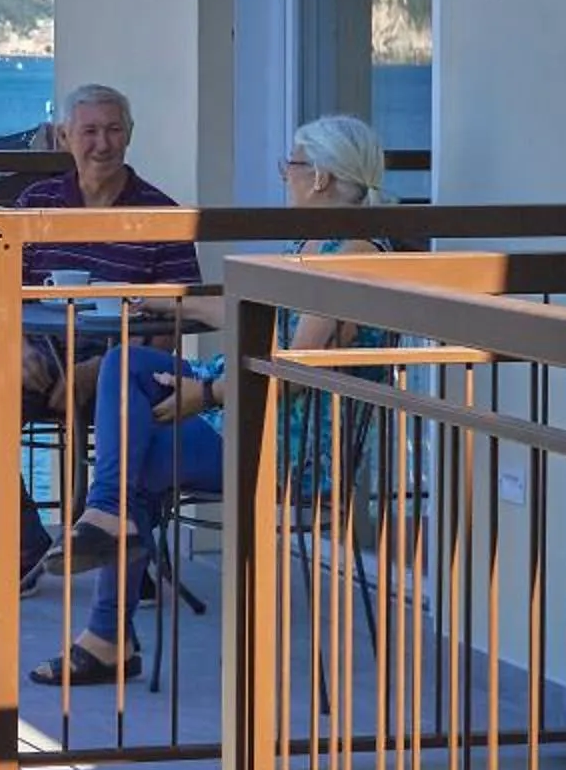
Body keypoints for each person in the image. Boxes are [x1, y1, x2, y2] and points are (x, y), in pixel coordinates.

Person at [30, 113, 395, 686]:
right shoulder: (322, 242)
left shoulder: (347, 253)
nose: (286, 177)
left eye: (291, 166)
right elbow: (252, 313)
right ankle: (108, 526)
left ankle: (106, 618)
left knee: (138, 462)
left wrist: (209, 393)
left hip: (282, 436)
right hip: (252, 407)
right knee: (128, 366)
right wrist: (168, 305)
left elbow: (294, 370)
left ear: (321, 178)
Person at [0, 83, 202, 593]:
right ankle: (27, 544)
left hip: (126, 371)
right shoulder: (36, 204)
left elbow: (178, 319)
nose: (102, 143)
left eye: (113, 130)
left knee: (134, 439)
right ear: (66, 137)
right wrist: (15, 347)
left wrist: (103, 374)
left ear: (130, 135)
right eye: (89, 131)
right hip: (43, 361)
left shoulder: (161, 213)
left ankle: (123, 555)